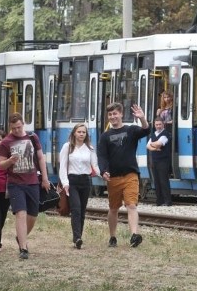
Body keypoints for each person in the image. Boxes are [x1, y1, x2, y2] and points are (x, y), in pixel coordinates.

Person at [0, 113, 50, 260]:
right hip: (15, 184)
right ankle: (23, 248)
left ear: (23, 124)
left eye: (19, 127)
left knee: (33, 215)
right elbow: (1, 165)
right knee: (20, 214)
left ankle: (21, 238)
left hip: (33, 182)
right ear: (10, 127)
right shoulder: (6, 142)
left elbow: (40, 157)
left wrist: (45, 178)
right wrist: (9, 161)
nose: (16, 130)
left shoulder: (32, 137)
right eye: (13, 128)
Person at [97, 102, 150, 248]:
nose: (113, 117)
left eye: (115, 114)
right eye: (110, 114)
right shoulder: (105, 136)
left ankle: (134, 235)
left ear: (121, 114)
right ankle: (112, 236)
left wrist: (142, 119)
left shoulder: (131, 130)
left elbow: (146, 131)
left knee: (131, 205)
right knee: (113, 208)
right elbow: (102, 156)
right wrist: (103, 171)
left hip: (130, 175)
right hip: (113, 177)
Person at [59, 123, 99, 250]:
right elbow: (63, 167)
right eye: (79, 132)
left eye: (84, 132)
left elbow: (95, 166)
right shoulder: (67, 147)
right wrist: (65, 183)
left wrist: (103, 174)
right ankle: (77, 238)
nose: (81, 134)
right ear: (74, 133)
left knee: (82, 211)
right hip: (72, 181)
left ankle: (79, 237)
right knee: (76, 209)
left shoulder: (90, 149)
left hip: (85, 181)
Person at [146, 117, 172, 206]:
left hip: (163, 161)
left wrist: (153, 144)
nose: (158, 126)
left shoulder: (165, 134)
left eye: (160, 124)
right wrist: (155, 148)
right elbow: (147, 146)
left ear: (163, 124)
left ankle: (167, 201)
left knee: (163, 181)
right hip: (155, 161)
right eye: (156, 125)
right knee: (156, 181)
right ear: (154, 125)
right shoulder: (154, 134)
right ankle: (159, 201)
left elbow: (159, 144)